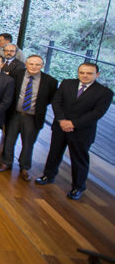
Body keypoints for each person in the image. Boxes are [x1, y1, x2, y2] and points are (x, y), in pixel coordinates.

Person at [36, 63, 113, 200]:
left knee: (79, 160)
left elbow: (97, 113)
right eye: (81, 72)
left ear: (97, 75)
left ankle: (78, 187)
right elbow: (56, 102)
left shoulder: (105, 92)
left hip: (82, 131)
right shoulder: (67, 83)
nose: (85, 75)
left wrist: (73, 124)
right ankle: (48, 175)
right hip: (60, 126)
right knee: (54, 153)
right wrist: (62, 120)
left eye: (89, 73)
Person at [0, 55, 58, 180]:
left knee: (28, 143)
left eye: (37, 64)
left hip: (32, 117)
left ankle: (24, 167)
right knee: (9, 140)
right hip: (14, 114)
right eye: (31, 64)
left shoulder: (50, 81)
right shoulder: (16, 74)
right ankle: (6, 162)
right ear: (26, 64)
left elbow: (50, 99)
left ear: (42, 66)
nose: (34, 67)